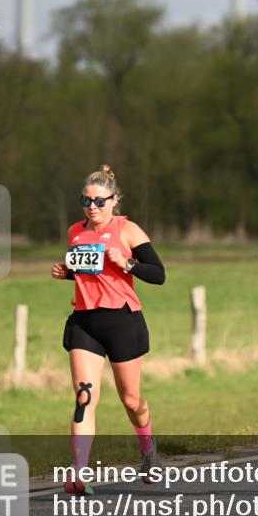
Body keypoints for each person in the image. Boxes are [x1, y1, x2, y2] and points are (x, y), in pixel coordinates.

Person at [51, 165, 167, 494]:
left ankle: (148, 448)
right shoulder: (75, 232)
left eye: (100, 201)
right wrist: (66, 274)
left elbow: (158, 274)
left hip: (122, 322)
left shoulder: (127, 230)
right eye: (86, 201)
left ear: (115, 200)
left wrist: (127, 263)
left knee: (131, 400)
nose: (93, 207)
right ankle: (80, 473)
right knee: (84, 397)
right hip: (85, 321)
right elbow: (90, 273)